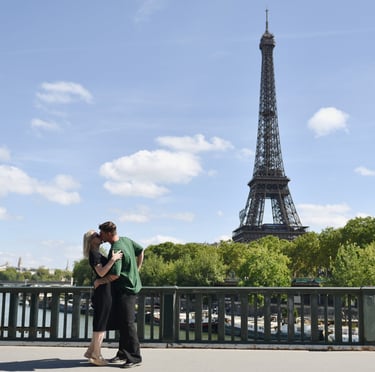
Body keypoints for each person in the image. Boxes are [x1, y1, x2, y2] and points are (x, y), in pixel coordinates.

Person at [94, 221, 144, 369]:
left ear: (109, 233)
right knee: (123, 323)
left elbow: (115, 275)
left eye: (102, 234)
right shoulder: (126, 240)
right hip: (132, 286)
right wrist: (137, 269)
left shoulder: (117, 248)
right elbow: (141, 250)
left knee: (128, 324)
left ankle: (135, 357)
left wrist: (99, 281)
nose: (101, 236)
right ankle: (123, 353)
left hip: (125, 289)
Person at [83, 229, 123, 366]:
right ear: (90, 241)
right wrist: (113, 259)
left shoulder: (96, 253)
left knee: (100, 322)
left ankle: (91, 351)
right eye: (96, 235)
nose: (99, 236)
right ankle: (96, 355)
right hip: (103, 292)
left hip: (104, 291)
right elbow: (101, 272)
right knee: (101, 324)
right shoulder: (94, 254)